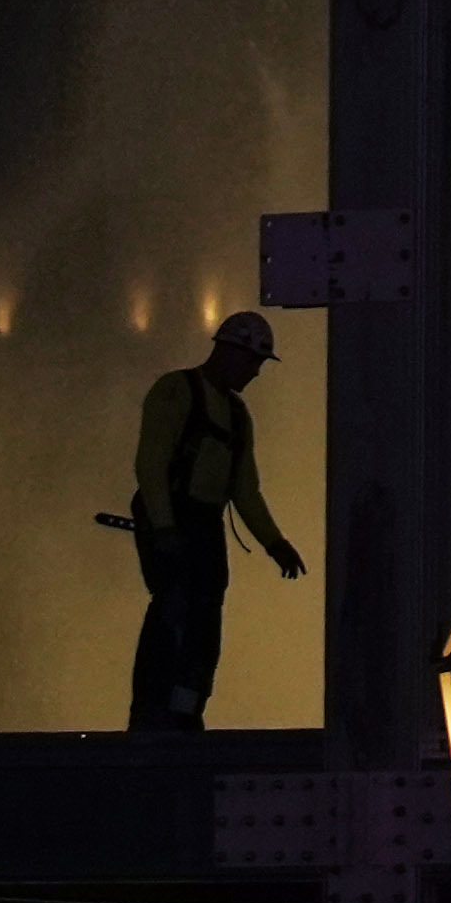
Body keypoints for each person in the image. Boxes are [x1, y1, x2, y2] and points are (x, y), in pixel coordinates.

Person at [109, 307, 304, 733]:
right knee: (173, 610)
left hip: (204, 525)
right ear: (230, 352)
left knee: (205, 623)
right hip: (173, 518)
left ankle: (185, 712)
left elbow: (245, 491)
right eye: (253, 362)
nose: (255, 373)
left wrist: (276, 543)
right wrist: (163, 529)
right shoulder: (176, 391)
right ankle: (150, 713)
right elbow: (151, 465)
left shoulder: (236, 415)